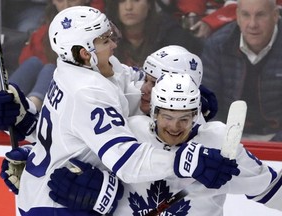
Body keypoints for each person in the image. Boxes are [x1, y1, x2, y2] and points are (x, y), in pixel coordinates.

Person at [6, 6, 238, 216]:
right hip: (57, 204)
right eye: (105, 40)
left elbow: (128, 78)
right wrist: (188, 162)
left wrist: (186, 95)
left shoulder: (76, 67)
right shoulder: (89, 92)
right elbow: (128, 161)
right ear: (85, 53)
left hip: (44, 191)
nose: (114, 44)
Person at [47, 73, 282, 215]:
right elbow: (68, 162)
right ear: (154, 114)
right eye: (167, 117)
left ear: (196, 115)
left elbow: (271, 190)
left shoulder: (219, 143)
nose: (174, 127)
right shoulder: (130, 132)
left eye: (184, 119)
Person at [201, 0, 282, 142]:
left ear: (275, 16)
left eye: (260, 15)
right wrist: (226, 138)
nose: (252, 24)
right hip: (228, 136)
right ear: (237, 16)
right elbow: (207, 103)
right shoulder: (218, 45)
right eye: (245, 15)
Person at [105, 0, 203, 67]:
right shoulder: (105, 38)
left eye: (137, 0)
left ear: (149, 5)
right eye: (122, 1)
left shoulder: (172, 37)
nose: (128, 7)